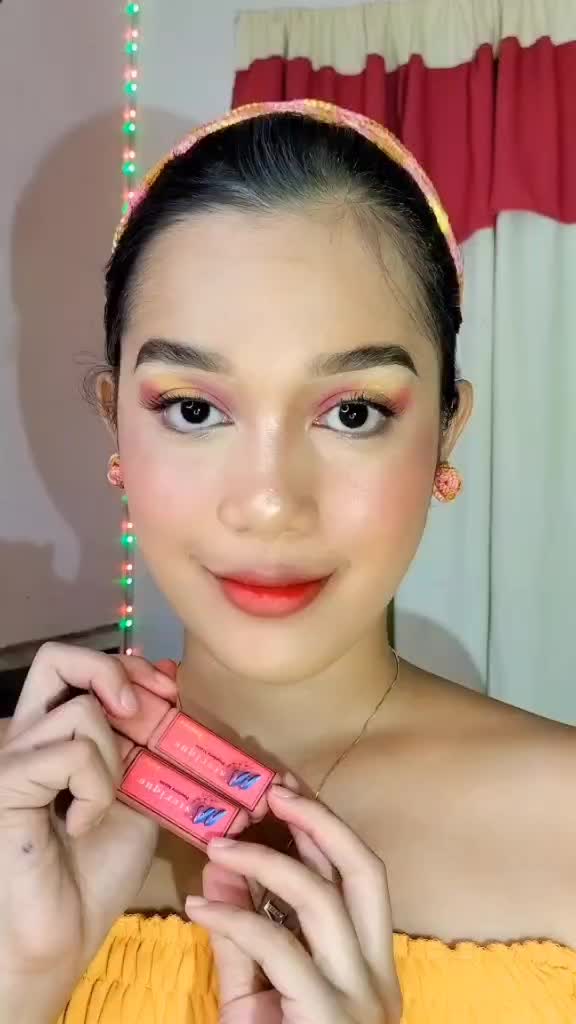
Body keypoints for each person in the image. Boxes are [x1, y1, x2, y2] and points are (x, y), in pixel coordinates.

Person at [1, 100, 575, 1024]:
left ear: (446, 431)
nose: (269, 502)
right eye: (194, 410)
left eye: (352, 412)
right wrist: (20, 983)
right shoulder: (19, 811)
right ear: (115, 422)